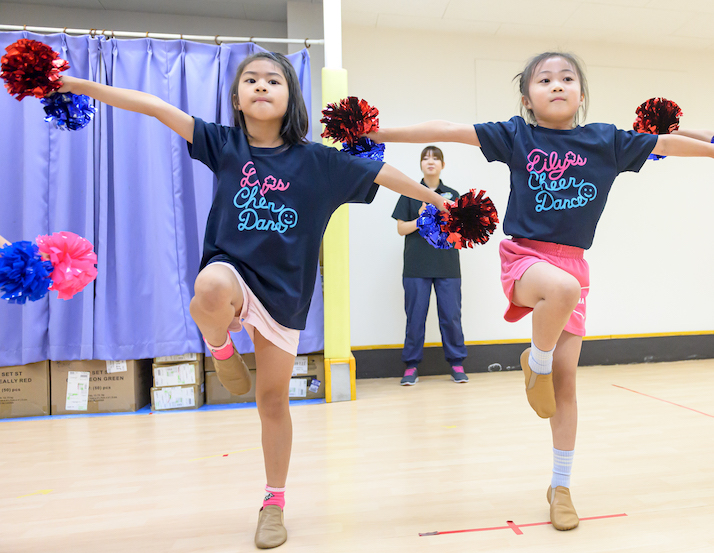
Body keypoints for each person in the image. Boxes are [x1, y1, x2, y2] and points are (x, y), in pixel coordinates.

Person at [57, 51, 447, 549]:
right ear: (237, 97)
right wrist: (76, 83)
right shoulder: (223, 143)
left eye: (273, 80)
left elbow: (382, 172)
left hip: (284, 294)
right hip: (232, 274)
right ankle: (221, 348)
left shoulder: (319, 161)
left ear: (291, 97)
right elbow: (153, 105)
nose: (261, 86)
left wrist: (435, 200)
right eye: (250, 79)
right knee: (210, 288)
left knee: (271, 401)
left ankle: (274, 501)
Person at [367, 51, 714, 532]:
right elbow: (446, 129)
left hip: (573, 266)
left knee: (567, 386)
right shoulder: (516, 134)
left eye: (567, 78)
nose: (557, 85)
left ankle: (561, 485)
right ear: (526, 97)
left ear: (582, 93)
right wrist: (377, 135)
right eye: (544, 79)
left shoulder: (607, 140)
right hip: (525, 259)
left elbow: (671, 145)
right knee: (562, 291)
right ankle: (538, 361)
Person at [391, 146, 468, 385]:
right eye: (426, 158)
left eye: (436, 158)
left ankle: (456, 363)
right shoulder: (408, 193)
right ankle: (411, 366)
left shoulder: (453, 195)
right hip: (416, 267)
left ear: (442, 165)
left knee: (451, 317)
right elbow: (401, 228)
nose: (431, 162)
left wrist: (444, 214)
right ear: (421, 164)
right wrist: (421, 219)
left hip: (447, 266)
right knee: (415, 317)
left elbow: (462, 231)